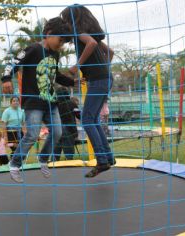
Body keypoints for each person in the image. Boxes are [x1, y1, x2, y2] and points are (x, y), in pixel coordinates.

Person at [1, 17, 77, 183]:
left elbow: (56, 75)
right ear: (49, 34)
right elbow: (14, 62)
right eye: (60, 40)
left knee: (57, 132)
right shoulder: (33, 49)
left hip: (50, 101)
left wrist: (73, 82)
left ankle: (43, 158)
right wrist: (6, 78)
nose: (61, 44)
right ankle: (14, 163)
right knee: (32, 134)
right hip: (34, 101)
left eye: (64, 42)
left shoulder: (55, 54)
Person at [61, 5, 115, 178]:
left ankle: (102, 160)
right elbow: (110, 52)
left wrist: (78, 65)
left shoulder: (79, 32)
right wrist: (102, 68)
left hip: (99, 79)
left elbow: (90, 44)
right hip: (104, 78)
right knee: (92, 118)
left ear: (71, 19)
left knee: (86, 119)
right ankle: (108, 157)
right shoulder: (93, 35)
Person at [53, 87, 80, 161]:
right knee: (69, 152)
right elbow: (79, 116)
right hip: (69, 130)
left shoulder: (54, 104)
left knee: (55, 151)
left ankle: (54, 161)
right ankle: (69, 162)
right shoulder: (72, 103)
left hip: (56, 129)